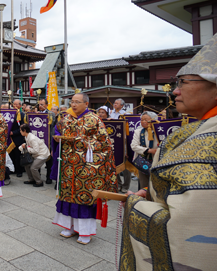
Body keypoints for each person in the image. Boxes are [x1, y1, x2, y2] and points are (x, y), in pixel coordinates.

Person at [112, 34, 217, 271]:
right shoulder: (197, 130)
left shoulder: (209, 141)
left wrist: (138, 205)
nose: (174, 91)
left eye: (183, 83)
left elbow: (191, 229)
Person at [51, 92, 117, 245]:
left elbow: (104, 143)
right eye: (72, 102)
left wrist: (84, 142)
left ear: (86, 104)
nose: (73, 105)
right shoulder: (66, 118)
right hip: (68, 165)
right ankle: (69, 227)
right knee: (67, 195)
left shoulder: (94, 120)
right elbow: (57, 130)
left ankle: (85, 232)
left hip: (86, 166)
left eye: (77, 102)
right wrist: (57, 137)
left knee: (84, 197)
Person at [130, 111, 159, 191]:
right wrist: (149, 150)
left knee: (156, 184)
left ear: (153, 119)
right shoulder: (138, 132)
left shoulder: (159, 131)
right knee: (144, 185)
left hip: (157, 161)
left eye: (146, 119)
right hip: (143, 161)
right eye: (142, 120)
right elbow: (134, 146)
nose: (143, 122)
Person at [37, 98, 55, 184]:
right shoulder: (35, 113)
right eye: (39, 104)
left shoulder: (51, 114)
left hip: (48, 139)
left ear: (47, 105)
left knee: (49, 161)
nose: (40, 106)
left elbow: (52, 123)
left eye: (42, 104)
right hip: (38, 140)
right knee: (37, 159)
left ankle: (49, 177)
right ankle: (37, 177)